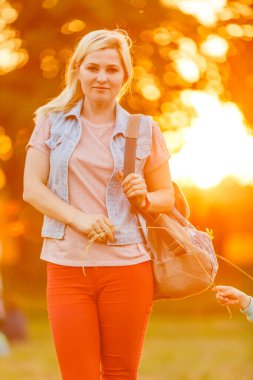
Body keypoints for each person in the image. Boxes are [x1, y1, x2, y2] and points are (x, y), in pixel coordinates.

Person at [23, 29, 175, 380]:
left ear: (124, 75)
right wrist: (78, 219)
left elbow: (165, 197)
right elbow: (32, 189)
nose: (102, 77)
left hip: (128, 266)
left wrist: (146, 197)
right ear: (78, 70)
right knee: (78, 375)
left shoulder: (145, 129)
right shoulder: (51, 122)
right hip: (67, 267)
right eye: (93, 68)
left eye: (112, 69)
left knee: (121, 374)